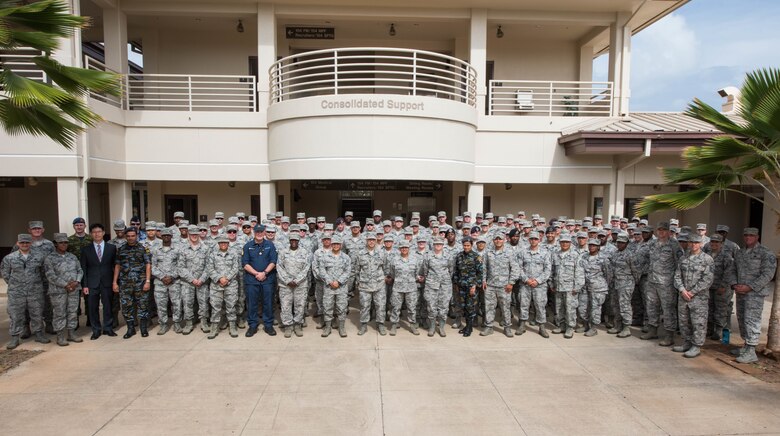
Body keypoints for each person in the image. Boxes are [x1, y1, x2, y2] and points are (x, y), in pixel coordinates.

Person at [727, 227, 777, 363]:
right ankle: (746, 346)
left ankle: (751, 351)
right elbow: (732, 270)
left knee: (752, 320)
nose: (748, 237)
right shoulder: (740, 253)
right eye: (746, 235)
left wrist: (750, 287)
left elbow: (768, 274)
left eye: (751, 235)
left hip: (755, 294)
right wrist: (734, 284)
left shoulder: (766, 253)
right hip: (741, 292)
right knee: (742, 319)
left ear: (757, 237)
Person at [1, 234, 50, 348]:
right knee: (15, 315)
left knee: (37, 313)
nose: (24, 244)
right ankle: (14, 337)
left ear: (30, 243)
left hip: (35, 291)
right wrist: (17, 284)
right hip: (16, 292)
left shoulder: (39, 257)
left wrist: (37, 284)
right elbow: (5, 274)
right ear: (18, 243)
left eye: (27, 242)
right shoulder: (9, 258)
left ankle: (39, 334)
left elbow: (44, 273)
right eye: (22, 242)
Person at [672, 234, 714, 358]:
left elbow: (707, 279)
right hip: (683, 296)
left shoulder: (707, 259)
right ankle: (687, 342)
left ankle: (696, 345)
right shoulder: (683, 258)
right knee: (684, 321)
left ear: (701, 244)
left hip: (698, 297)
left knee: (698, 322)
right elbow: (677, 275)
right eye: (691, 242)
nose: (693, 245)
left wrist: (692, 292)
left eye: (696, 242)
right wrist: (682, 289)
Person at [641, 222, 683, 346]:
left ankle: (669, 335)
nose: (661, 232)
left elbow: (679, 264)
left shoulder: (674, 245)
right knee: (651, 306)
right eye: (659, 230)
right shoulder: (653, 244)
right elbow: (648, 260)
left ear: (669, 231)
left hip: (667, 283)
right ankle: (652, 330)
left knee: (668, 309)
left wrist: (676, 281)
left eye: (664, 230)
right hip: (652, 281)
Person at [44, 233, 83, 346]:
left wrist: (77, 281)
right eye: (61, 242)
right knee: (59, 313)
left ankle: (71, 334)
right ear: (56, 244)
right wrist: (65, 284)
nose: (64, 244)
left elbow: (79, 270)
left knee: (72, 311)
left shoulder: (72, 256)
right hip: (58, 291)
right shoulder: (49, 258)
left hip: (74, 289)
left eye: (66, 242)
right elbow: (50, 275)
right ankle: (60, 336)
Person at [80, 223, 118, 340]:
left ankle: (108, 328)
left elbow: (115, 266)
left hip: (107, 281)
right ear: (91, 234)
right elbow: (84, 268)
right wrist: (85, 285)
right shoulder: (86, 249)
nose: (97, 234)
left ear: (103, 233)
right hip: (92, 283)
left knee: (108, 305)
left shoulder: (111, 248)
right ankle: (96, 330)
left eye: (99, 231)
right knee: (92, 307)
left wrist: (115, 282)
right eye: (94, 232)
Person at [113, 228, 152, 339]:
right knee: (126, 306)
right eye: (128, 236)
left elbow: (148, 265)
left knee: (143, 305)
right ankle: (130, 329)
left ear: (137, 236)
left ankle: (143, 328)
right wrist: (114, 282)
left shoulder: (143, 248)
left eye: (133, 235)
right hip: (125, 283)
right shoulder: (121, 249)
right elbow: (117, 266)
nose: (130, 238)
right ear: (126, 236)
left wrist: (148, 281)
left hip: (140, 282)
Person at [242, 224, 278, 337]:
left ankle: (268, 325)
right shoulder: (247, 246)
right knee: (252, 303)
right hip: (252, 280)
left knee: (268, 302)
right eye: (257, 231)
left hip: (267, 279)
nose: (259, 233)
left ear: (264, 232)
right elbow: (245, 263)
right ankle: (252, 325)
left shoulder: (270, 245)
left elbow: (273, 261)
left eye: (261, 231)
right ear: (254, 232)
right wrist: (257, 274)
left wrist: (265, 273)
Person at [482, 232, 519, 337]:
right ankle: (489, 327)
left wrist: (511, 283)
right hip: (490, 285)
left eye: (500, 239)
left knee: (505, 307)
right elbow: (484, 268)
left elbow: (515, 269)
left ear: (504, 240)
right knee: (489, 307)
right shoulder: (488, 253)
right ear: (493, 240)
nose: (498, 241)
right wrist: (484, 280)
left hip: (504, 286)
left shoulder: (509, 253)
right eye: (496, 239)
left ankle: (507, 327)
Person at [517, 231, 552, 337]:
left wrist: (537, 281)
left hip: (540, 286)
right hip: (525, 284)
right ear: (529, 240)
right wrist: (526, 279)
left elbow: (547, 270)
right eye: (531, 239)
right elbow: (518, 268)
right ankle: (522, 325)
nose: (533, 241)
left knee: (540, 306)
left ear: (539, 240)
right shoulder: (523, 252)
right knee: (523, 305)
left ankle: (542, 327)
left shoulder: (545, 253)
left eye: (535, 239)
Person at [352, 233, 388, 336]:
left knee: (380, 306)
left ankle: (380, 324)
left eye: (373, 240)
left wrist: (383, 279)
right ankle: (363, 325)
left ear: (376, 241)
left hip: (379, 284)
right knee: (364, 306)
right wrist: (359, 282)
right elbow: (357, 270)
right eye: (369, 240)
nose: (371, 242)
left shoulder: (382, 253)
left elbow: (386, 267)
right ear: (366, 241)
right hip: (365, 286)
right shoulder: (360, 254)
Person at [550, 234, 585, 339]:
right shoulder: (555, 255)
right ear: (559, 243)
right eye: (562, 242)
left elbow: (579, 273)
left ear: (570, 243)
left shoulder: (575, 255)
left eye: (567, 242)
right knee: (559, 308)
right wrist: (551, 283)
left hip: (570, 288)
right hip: (558, 287)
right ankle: (561, 325)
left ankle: (570, 327)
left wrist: (577, 287)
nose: (564, 244)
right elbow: (551, 271)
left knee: (570, 309)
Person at [276, 233, 311, 338]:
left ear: (299, 241)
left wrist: (297, 280)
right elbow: (279, 267)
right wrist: (288, 280)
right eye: (292, 240)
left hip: (300, 284)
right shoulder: (283, 252)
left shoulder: (304, 253)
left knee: (300, 305)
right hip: (285, 285)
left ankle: (297, 325)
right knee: (285, 305)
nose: (294, 242)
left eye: (296, 240)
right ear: (289, 241)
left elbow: (306, 267)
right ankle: (288, 326)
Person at [206, 235, 241, 339]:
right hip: (216, 285)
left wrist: (227, 279)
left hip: (231, 285)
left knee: (231, 306)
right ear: (218, 244)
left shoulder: (233, 254)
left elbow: (236, 268)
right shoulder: (213, 255)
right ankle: (214, 327)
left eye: (225, 243)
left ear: (228, 244)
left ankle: (232, 326)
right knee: (215, 307)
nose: (223, 244)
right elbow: (210, 268)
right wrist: (219, 278)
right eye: (221, 243)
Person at [418, 237, 454, 337]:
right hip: (431, 285)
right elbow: (425, 270)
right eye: (436, 244)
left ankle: (441, 327)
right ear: (433, 245)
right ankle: (432, 326)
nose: (438, 245)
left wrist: (444, 278)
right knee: (431, 306)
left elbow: (451, 270)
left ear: (443, 245)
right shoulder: (428, 256)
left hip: (445, 285)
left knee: (444, 307)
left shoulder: (448, 256)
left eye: (440, 244)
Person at [387, 240, 424, 336]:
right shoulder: (394, 260)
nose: (404, 249)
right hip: (398, 288)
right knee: (395, 307)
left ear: (409, 249)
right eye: (402, 247)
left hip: (411, 288)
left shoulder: (415, 259)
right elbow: (392, 274)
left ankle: (412, 325)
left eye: (406, 247)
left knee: (412, 308)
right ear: (399, 249)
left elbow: (417, 273)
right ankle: (394, 325)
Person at [178, 224, 210, 335]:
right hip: (187, 282)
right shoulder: (182, 249)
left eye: (196, 234)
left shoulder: (205, 248)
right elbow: (180, 267)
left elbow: (209, 266)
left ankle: (204, 322)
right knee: (187, 303)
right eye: (192, 234)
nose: (194, 236)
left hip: (203, 282)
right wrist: (192, 279)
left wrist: (201, 279)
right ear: (188, 234)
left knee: (204, 303)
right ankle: (189, 323)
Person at [317, 235, 351, 337]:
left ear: (340, 245)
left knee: (342, 307)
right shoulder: (324, 257)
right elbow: (322, 271)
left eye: (338, 244)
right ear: (331, 245)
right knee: (327, 307)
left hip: (341, 287)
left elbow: (348, 271)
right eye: (334, 244)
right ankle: (328, 327)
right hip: (328, 287)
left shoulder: (346, 257)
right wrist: (330, 281)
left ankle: (341, 327)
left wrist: (339, 282)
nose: (336, 245)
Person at [580, 239, 613, 337]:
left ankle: (594, 328)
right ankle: (585, 325)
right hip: (585, 286)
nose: (591, 247)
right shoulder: (584, 257)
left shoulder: (603, 259)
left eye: (594, 245)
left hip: (598, 288)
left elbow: (609, 275)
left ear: (598, 247)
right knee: (582, 307)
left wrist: (602, 284)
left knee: (595, 309)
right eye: (590, 245)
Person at [151, 228, 181, 335]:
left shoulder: (177, 249)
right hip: (160, 282)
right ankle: (163, 324)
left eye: (168, 235)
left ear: (172, 236)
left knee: (176, 303)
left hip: (174, 282)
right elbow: (153, 267)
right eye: (164, 235)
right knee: (161, 304)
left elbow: (180, 265)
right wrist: (163, 277)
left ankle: (177, 323)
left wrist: (172, 276)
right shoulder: (155, 250)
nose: (166, 237)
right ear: (161, 237)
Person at [609, 233, 639, 338]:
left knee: (625, 305)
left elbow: (636, 271)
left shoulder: (630, 255)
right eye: (618, 242)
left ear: (627, 243)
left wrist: (632, 282)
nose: (620, 244)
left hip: (626, 284)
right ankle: (617, 325)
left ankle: (626, 327)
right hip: (615, 283)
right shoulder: (615, 253)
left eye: (622, 242)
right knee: (615, 305)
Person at [453, 237, 483, 337]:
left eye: (468, 245)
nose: (466, 247)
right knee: (464, 307)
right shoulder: (459, 256)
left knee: (470, 307)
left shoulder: (476, 257)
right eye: (464, 245)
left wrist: (475, 285)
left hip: (471, 287)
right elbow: (456, 271)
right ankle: (466, 326)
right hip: (461, 286)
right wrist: (456, 283)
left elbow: (480, 273)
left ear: (471, 245)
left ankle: (469, 328)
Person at [707, 234, 734, 340]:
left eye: (717, 242)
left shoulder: (726, 256)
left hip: (721, 288)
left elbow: (728, 272)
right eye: (712, 242)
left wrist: (723, 286)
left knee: (720, 309)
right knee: (709, 308)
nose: (714, 244)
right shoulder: (707, 255)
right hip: (709, 287)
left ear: (721, 244)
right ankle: (709, 329)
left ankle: (718, 330)